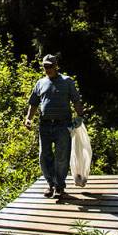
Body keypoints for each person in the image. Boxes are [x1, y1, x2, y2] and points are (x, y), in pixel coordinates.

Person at [24, 54, 84, 199]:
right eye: (45, 66)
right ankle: (50, 184)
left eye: (50, 66)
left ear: (56, 66)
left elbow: (76, 100)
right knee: (44, 156)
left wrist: (80, 115)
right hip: (44, 126)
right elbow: (33, 103)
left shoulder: (67, 81)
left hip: (63, 125)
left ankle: (59, 186)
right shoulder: (40, 83)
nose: (48, 69)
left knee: (61, 157)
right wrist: (28, 119)